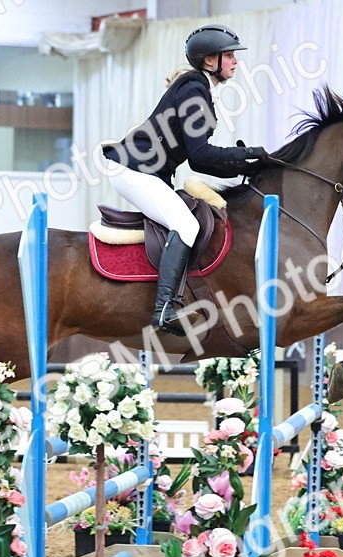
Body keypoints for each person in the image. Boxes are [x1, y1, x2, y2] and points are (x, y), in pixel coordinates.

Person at [103, 24, 273, 336]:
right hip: (133, 170)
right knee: (186, 225)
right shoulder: (194, 92)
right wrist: (247, 153)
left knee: (185, 220)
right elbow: (201, 155)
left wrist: (247, 167)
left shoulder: (198, 89)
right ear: (210, 61)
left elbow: (200, 160)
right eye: (230, 55)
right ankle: (166, 307)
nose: (236, 61)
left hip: (145, 171)